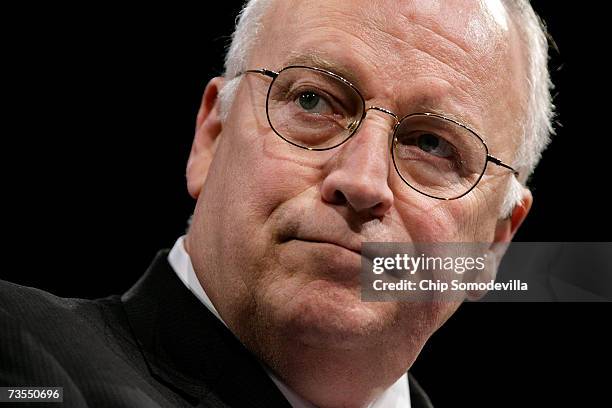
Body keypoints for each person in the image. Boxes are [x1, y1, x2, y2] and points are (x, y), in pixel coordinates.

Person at [0, 0, 554, 406]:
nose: (361, 182)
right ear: (212, 136)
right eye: (312, 101)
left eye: (432, 144)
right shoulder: (23, 359)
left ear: (495, 243)